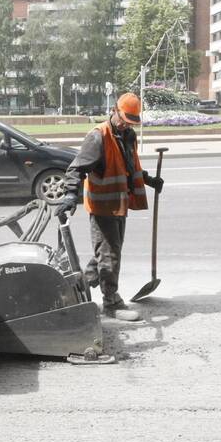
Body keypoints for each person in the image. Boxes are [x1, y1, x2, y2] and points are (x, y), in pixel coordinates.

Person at [55, 92, 164, 321]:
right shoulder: (99, 137)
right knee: (109, 254)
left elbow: (129, 166)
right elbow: (76, 169)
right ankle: (111, 303)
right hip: (102, 206)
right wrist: (69, 194)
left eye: (131, 121)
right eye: (124, 119)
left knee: (105, 253)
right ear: (114, 110)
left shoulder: (128, 135)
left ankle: (77, 291)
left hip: (119, 205)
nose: (126, 124)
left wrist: (148, 179)